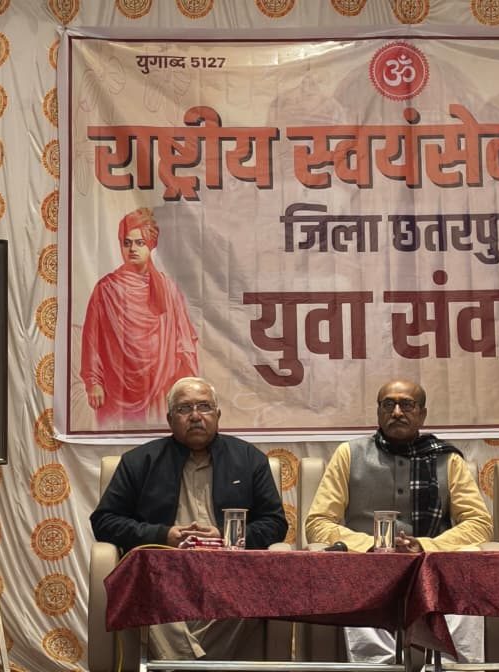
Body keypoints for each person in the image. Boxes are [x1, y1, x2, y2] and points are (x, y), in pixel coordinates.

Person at [90, 376, 287, 661]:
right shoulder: (139, 461)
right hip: (162, 568)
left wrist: (225, 536)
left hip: (229, 569)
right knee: (141, 583)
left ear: (218, 415)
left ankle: (178, 663)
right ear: (170, 419)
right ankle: (194, 663)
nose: (195, 416)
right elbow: (104, 521)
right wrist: (163, 535)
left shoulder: (249, 459)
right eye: (184, 409)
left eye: (204, 407)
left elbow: (275, 524)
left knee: (257, 586)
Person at [305, 379, 492, 663]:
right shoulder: (349, 454)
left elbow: (479, 523)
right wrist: (372, 546)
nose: (396, 412)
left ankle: (454, 665)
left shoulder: (447, 460)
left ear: (422, 414)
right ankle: (377, 667)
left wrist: (425, 546)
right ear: (378, 412)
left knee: (467, 562)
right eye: (388, 404)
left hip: (430, 562)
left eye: (406, 405)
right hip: (369, 563)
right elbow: (318, 522)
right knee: (357, 569)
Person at [80, 207, 199, 429]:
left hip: (161, 384)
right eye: (127, 243)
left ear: (151, 245)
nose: (132, 249)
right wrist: (93, 381)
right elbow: (91, 340)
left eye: (139, 242)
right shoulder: (106, 288)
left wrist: (187, 385)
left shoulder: (167, 289)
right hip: (116, 387)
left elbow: (184, 342)